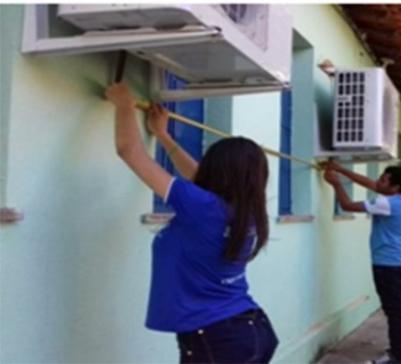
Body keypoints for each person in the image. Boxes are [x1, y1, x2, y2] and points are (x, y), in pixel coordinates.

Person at [105, 82, 278, 363]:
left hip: (217, 339)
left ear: (218, 170)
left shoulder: (204, 207)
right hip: (248, 332)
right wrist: (162, 136)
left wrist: (124, 103)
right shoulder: (245, 211)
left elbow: (130, 151)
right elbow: (198, 176)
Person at [324, 161, 401, 364]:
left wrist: (336, 184)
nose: (378, 181)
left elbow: (347, 205)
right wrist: (342, 169)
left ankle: (397, 356)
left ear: (394, 188)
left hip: (389, 265)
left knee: (394, 311)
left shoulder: (387, 204)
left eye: (384, 180)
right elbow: (373, 185)